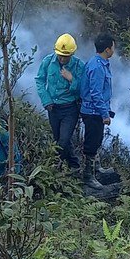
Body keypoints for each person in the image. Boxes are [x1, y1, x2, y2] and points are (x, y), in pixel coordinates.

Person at [35, 33, 85, 171]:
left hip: (70, 108)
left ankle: (55, 167)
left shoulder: (79, 66)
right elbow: (39, 80)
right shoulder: (48, 62)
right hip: (53, 108)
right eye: (60, 55)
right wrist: (46, 100)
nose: (62, 59)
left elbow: (84, 88)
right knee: (58, 139)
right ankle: (74, 165)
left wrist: (71, 79)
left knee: (63, 140)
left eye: (66, 56)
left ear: (72, 54)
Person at [80, 34, 115, 189]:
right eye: (113, 47)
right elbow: (96, 93)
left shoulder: (101, 63)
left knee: (97, 139)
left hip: (96, 110)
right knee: (92, 143)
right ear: (107, 49)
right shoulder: (97, 67)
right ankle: (88, 176)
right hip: (93, 111)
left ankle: (96, 167)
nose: (114, 49)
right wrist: (104, 114)